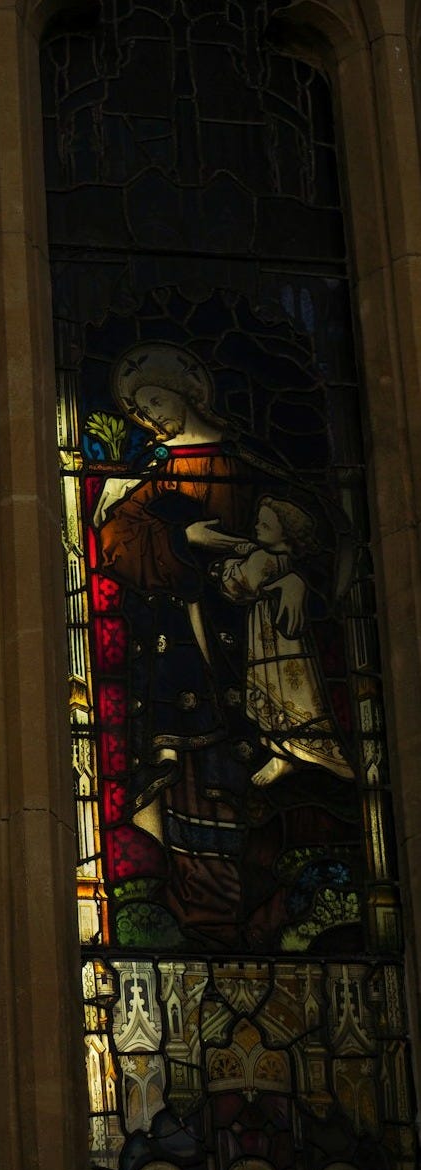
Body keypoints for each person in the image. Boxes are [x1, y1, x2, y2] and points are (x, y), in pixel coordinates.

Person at [96, 342, 309, 939]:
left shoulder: (252, 467)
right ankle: (204, 909)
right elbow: (115, 544)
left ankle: (268, 904)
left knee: (255, 769)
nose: (151, 418)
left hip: (258, 647)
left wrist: (291, 577)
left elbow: (305, 533)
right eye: (139, 410)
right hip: (184, 653)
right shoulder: (156, 475)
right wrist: (186, 538)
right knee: (194, 772)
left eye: (156, 401)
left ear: (188, 394)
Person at [215, 495, 353, 786]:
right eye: (258, 521)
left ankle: (284, 753)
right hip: (292, 644)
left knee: (277, 689)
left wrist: (227, 563)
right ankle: (297, 752)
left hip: (271, 642)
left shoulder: (262, 559)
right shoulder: (286, 562)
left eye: (265, 524)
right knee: (297, 690)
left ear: (286, 532)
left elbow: (238, 585)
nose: (257, 526)